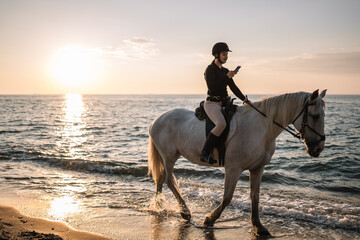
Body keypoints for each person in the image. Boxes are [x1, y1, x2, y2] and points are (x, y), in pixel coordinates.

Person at [200, 42, 251, 164]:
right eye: (224, 54)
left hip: (224, 103)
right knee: (221, 124)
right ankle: (205, 153)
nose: (226, 57)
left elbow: (233, 88)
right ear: (216, 55)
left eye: (227, 54)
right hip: (212, 104)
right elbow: (212, 87)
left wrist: (244, 99)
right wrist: (226, 77)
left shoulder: (226, 70)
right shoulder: (210, 69)